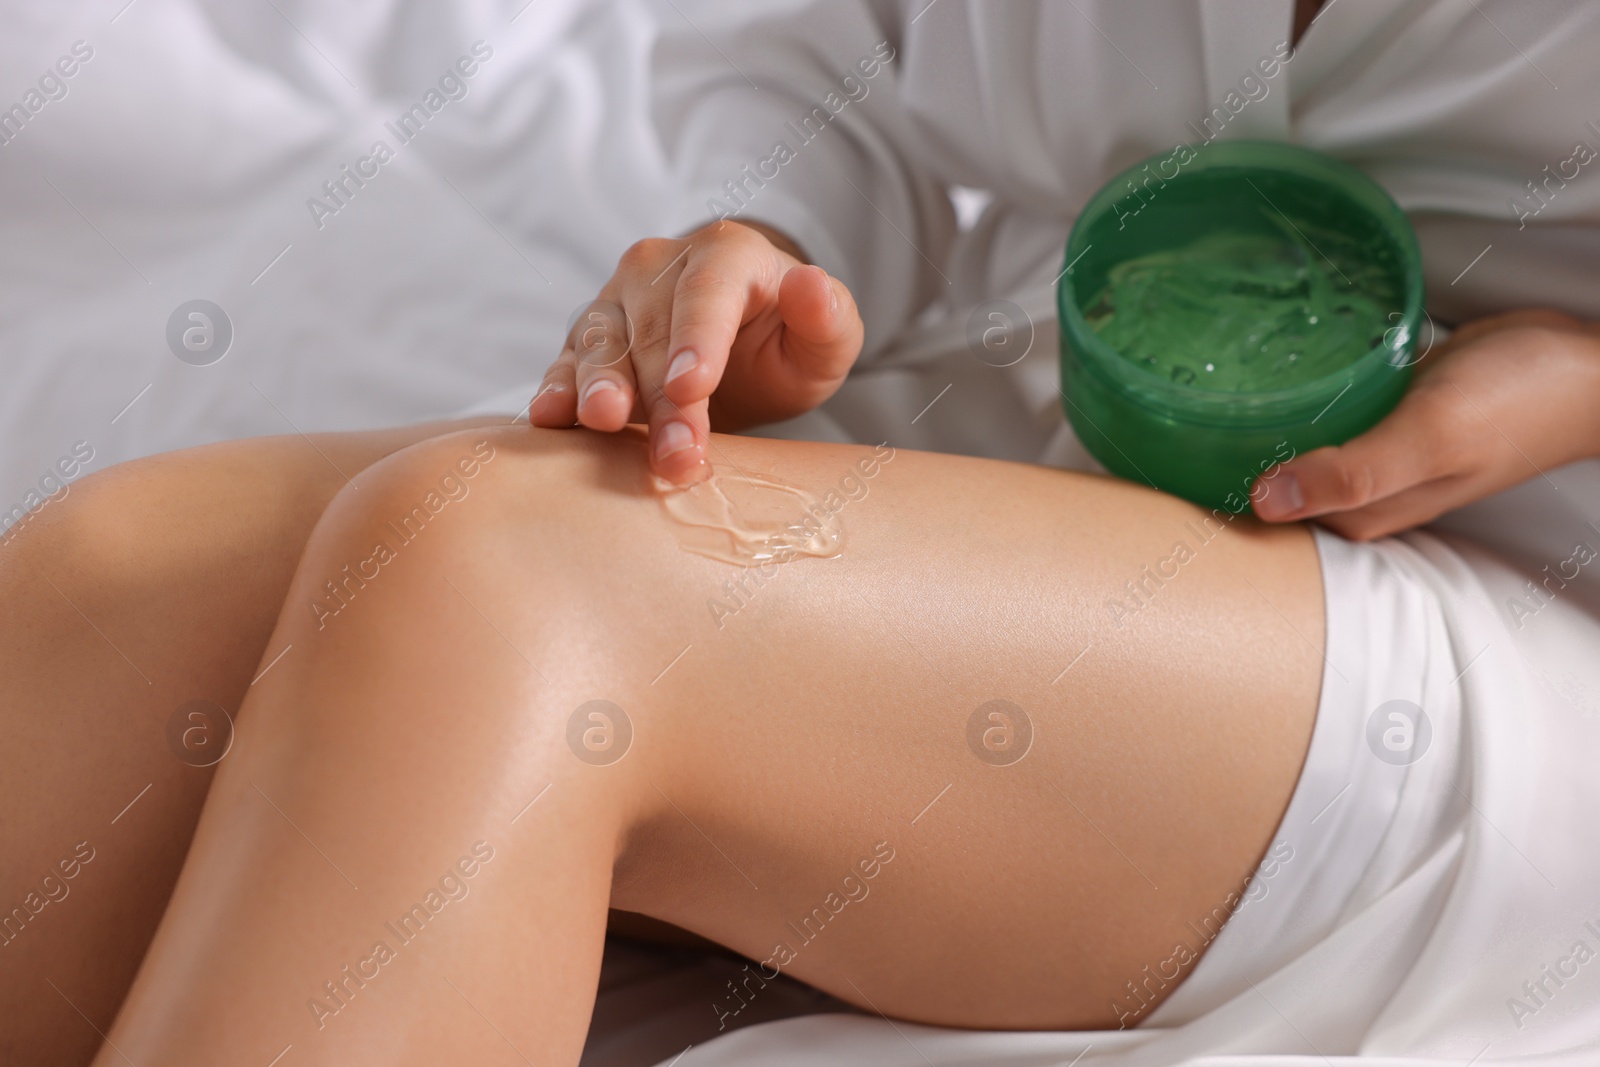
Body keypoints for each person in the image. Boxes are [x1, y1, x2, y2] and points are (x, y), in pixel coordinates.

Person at [5, 2, 1600, 1064]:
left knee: (495, 574)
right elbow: (863, 54)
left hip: (1513, 596)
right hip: (1040, 420)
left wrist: (1582, 386)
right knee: (130, 570)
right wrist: (769, 244)